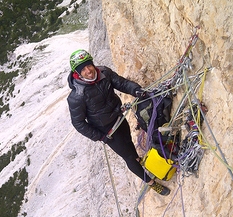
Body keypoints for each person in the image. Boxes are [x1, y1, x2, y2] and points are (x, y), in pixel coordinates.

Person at [66, 49, 170, 196]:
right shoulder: (77, 96)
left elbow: (121, 83)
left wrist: (136, 90)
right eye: (82, 69)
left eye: (89, 65)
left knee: (129, 144)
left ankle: (138, 159)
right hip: (108, 131)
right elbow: (78, 123)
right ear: (77, 73)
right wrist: (100, 136)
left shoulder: (104, 73)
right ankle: (150, 182)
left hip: (119, 118)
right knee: (128, 156)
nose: (88, 70)